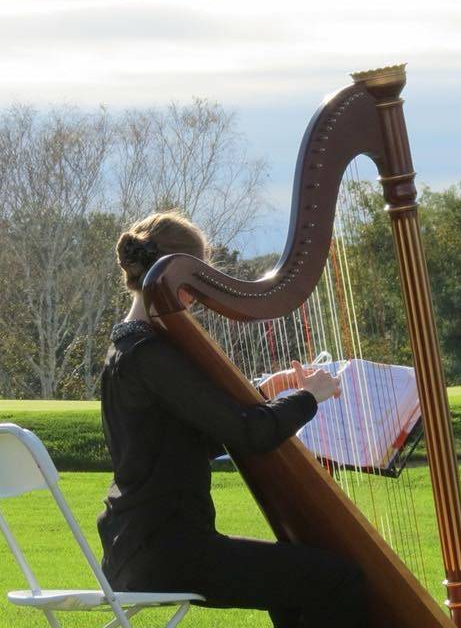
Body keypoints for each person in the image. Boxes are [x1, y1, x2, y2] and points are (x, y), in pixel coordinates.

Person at [97, 211, 367, 627]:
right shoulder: (153, 356)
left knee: (295, 580)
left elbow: (201, 436)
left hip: (133, 547)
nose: (201, 298)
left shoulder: (126, 349)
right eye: (200, 284)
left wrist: (265, 394)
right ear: (179, 280)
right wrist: (308, 396)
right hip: (170, 551)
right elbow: (250, 434)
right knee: (336, 579)